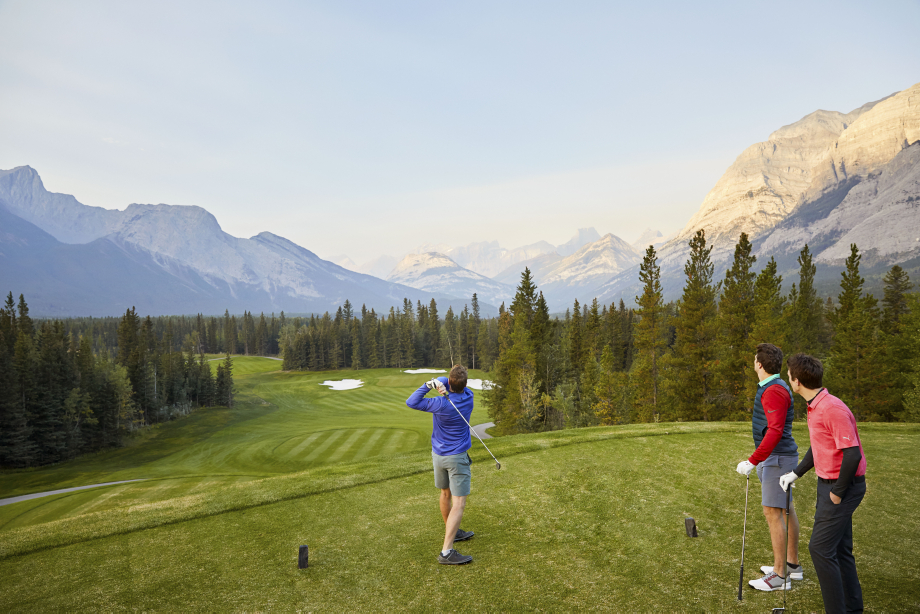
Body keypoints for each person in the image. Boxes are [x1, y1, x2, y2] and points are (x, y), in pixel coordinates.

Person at [780, 353, 867, 614]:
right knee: (840, 550)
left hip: (842, 486)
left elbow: (852, 454)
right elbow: (820, 446)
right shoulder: (816, 405)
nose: (788, 379)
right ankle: (853, 609)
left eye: (789, 376)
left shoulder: (831, 408)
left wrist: (837, 494)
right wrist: (796, 472)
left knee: (819, 549)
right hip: (827, 483)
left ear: (796, 381)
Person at [735, 343, 802, 591]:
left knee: (773, 513)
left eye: (755, 359)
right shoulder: (774, 386)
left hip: (777, 458)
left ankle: (779, 575)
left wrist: (753, 460)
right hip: (779, 457)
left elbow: (774, 431)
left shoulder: (773, 390)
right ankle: (792, 566)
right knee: (786, 510)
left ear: (759, 364)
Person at [406, 364, 476, 565]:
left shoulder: (439, 403)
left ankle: (451, 531)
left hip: (438, 456)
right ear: (464, 384)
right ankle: (446, 552)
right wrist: (443, 383)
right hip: (457, 458)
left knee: (446, 494)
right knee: (459, 503)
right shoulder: (468, 397)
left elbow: (411, 402)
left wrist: (431, 384)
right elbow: (457, 383)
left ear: (449, 382)